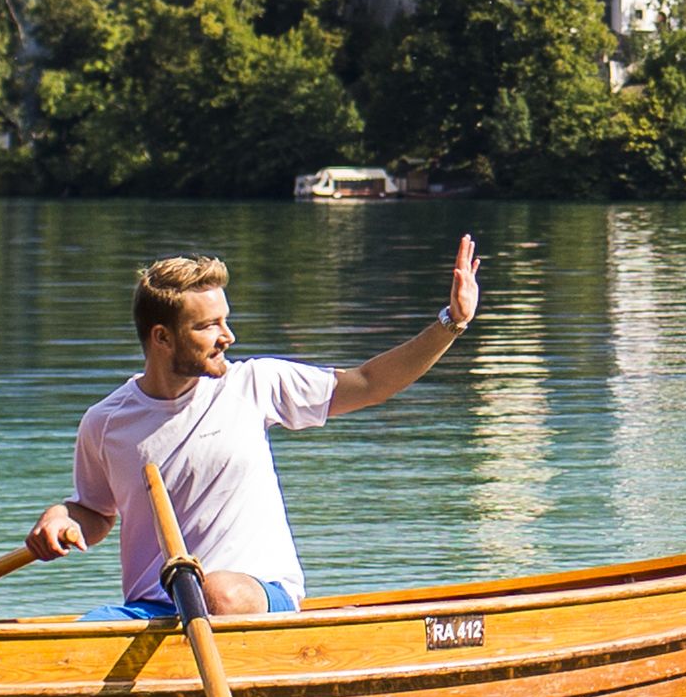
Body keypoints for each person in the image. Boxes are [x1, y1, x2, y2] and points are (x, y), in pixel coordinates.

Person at [30, 237, 483, 620]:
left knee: (218, 594)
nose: (229, 337)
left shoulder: (254, 385)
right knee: (66, 639)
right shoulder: (106, 423)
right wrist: (62, 518)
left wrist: (452, 323)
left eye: (225, 320)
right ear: (162, 337)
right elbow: (95, 512)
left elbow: (368, 383)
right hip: (155, 611)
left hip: (256, 598)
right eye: (208, 326)